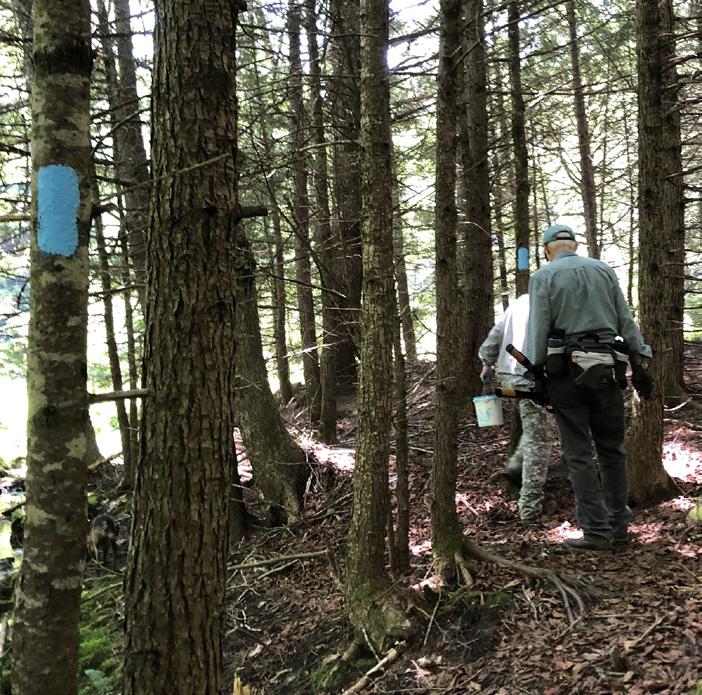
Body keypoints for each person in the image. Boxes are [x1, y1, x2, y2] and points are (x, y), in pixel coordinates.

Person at [526, 223, 653, 551]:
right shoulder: (603, 270)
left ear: (547, 249)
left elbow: (538, 329)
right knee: (612, 449)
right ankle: (619, 526)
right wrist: (640, 358)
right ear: (574, 245)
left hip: (565, 376)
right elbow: (625, 319)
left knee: (579, 453)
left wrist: (532, 374)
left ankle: (595, 531)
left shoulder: (543, 276)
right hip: (607, 370)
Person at [479, 293, 553, 523]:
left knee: (535, 430)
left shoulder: (518, 303)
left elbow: (494, 336)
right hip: (532, 378)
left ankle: (515, 467)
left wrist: (487, 362)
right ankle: (529, 507)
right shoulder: (550, 302)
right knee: (539, 441)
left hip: (509, 376)